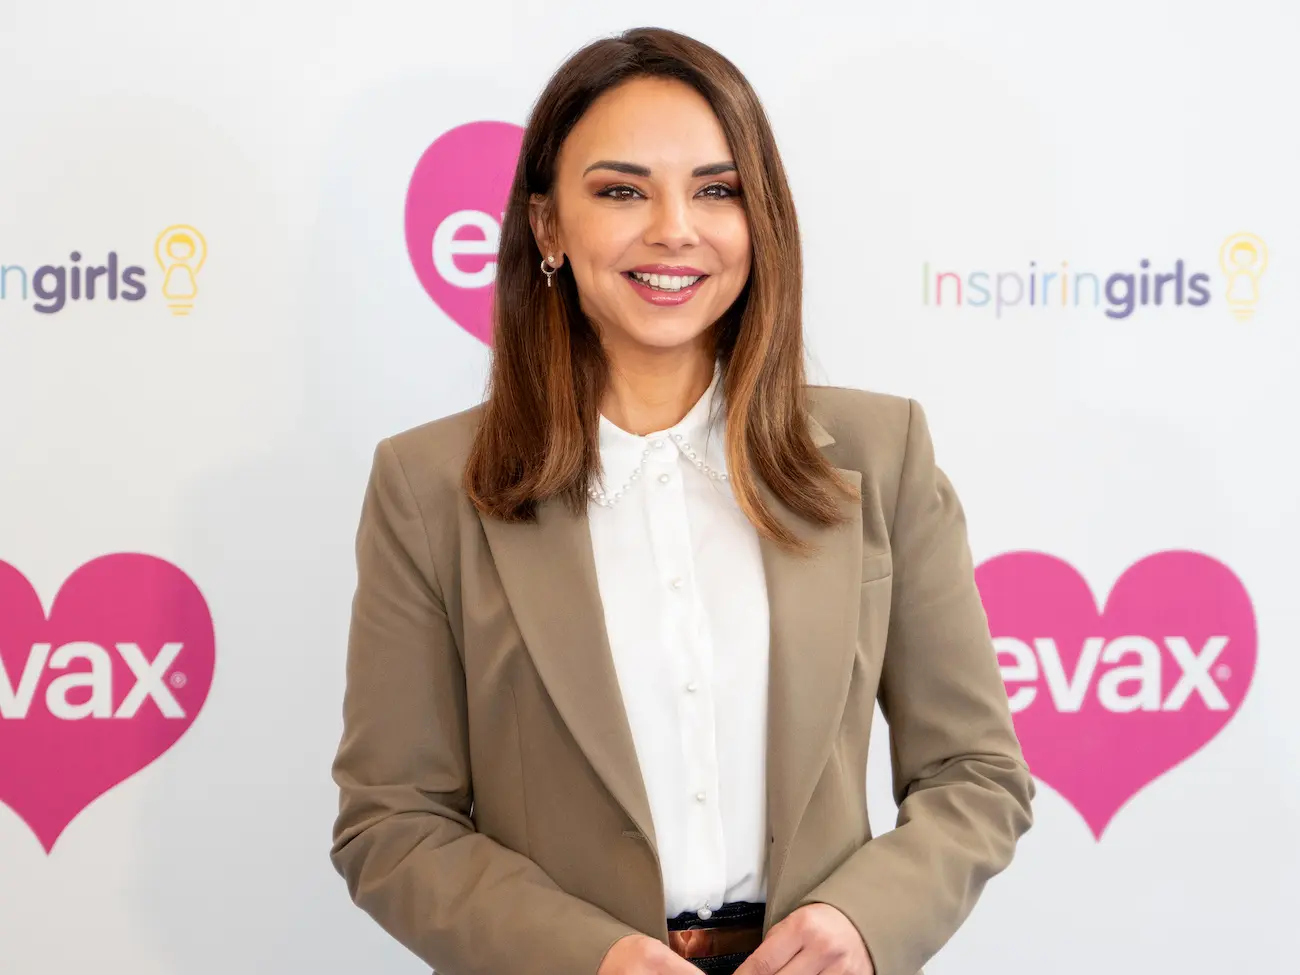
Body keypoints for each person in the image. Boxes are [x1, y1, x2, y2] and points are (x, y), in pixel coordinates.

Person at [329, 26, 1034, 975]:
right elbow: (393, 822)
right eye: (622, 190)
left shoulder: (883, 452)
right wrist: (589, 958)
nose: (674, 228)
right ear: (547, 228)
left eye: (717, 189)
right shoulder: (429, 486)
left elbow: (975, 773)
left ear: (760, 219)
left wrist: (862, 924)